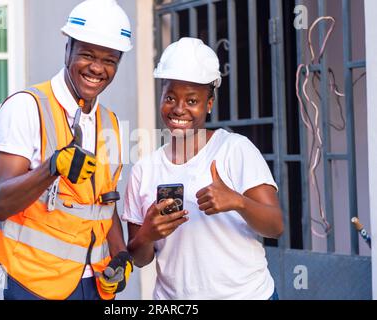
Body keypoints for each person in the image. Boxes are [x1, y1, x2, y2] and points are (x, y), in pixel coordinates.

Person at [0, 0, 134, 300]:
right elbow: (0, 203)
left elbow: (105, 202)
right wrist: (52, 168)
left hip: (95, 283)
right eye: (87, 54)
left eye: (110, 60)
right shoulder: (27, 107)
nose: (97, 68)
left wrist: (121, 254)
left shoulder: (111, 123)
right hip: (35, 283)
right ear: (68, 49)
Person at [122, 37, 284, 300]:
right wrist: (146, 235)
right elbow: (140, 259)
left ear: (209, 104)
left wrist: (238, 202)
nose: (179, 109)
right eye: (170, 97)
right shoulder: (144, 169)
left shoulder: (234, 149)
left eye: (192, 100)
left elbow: (275, 226)